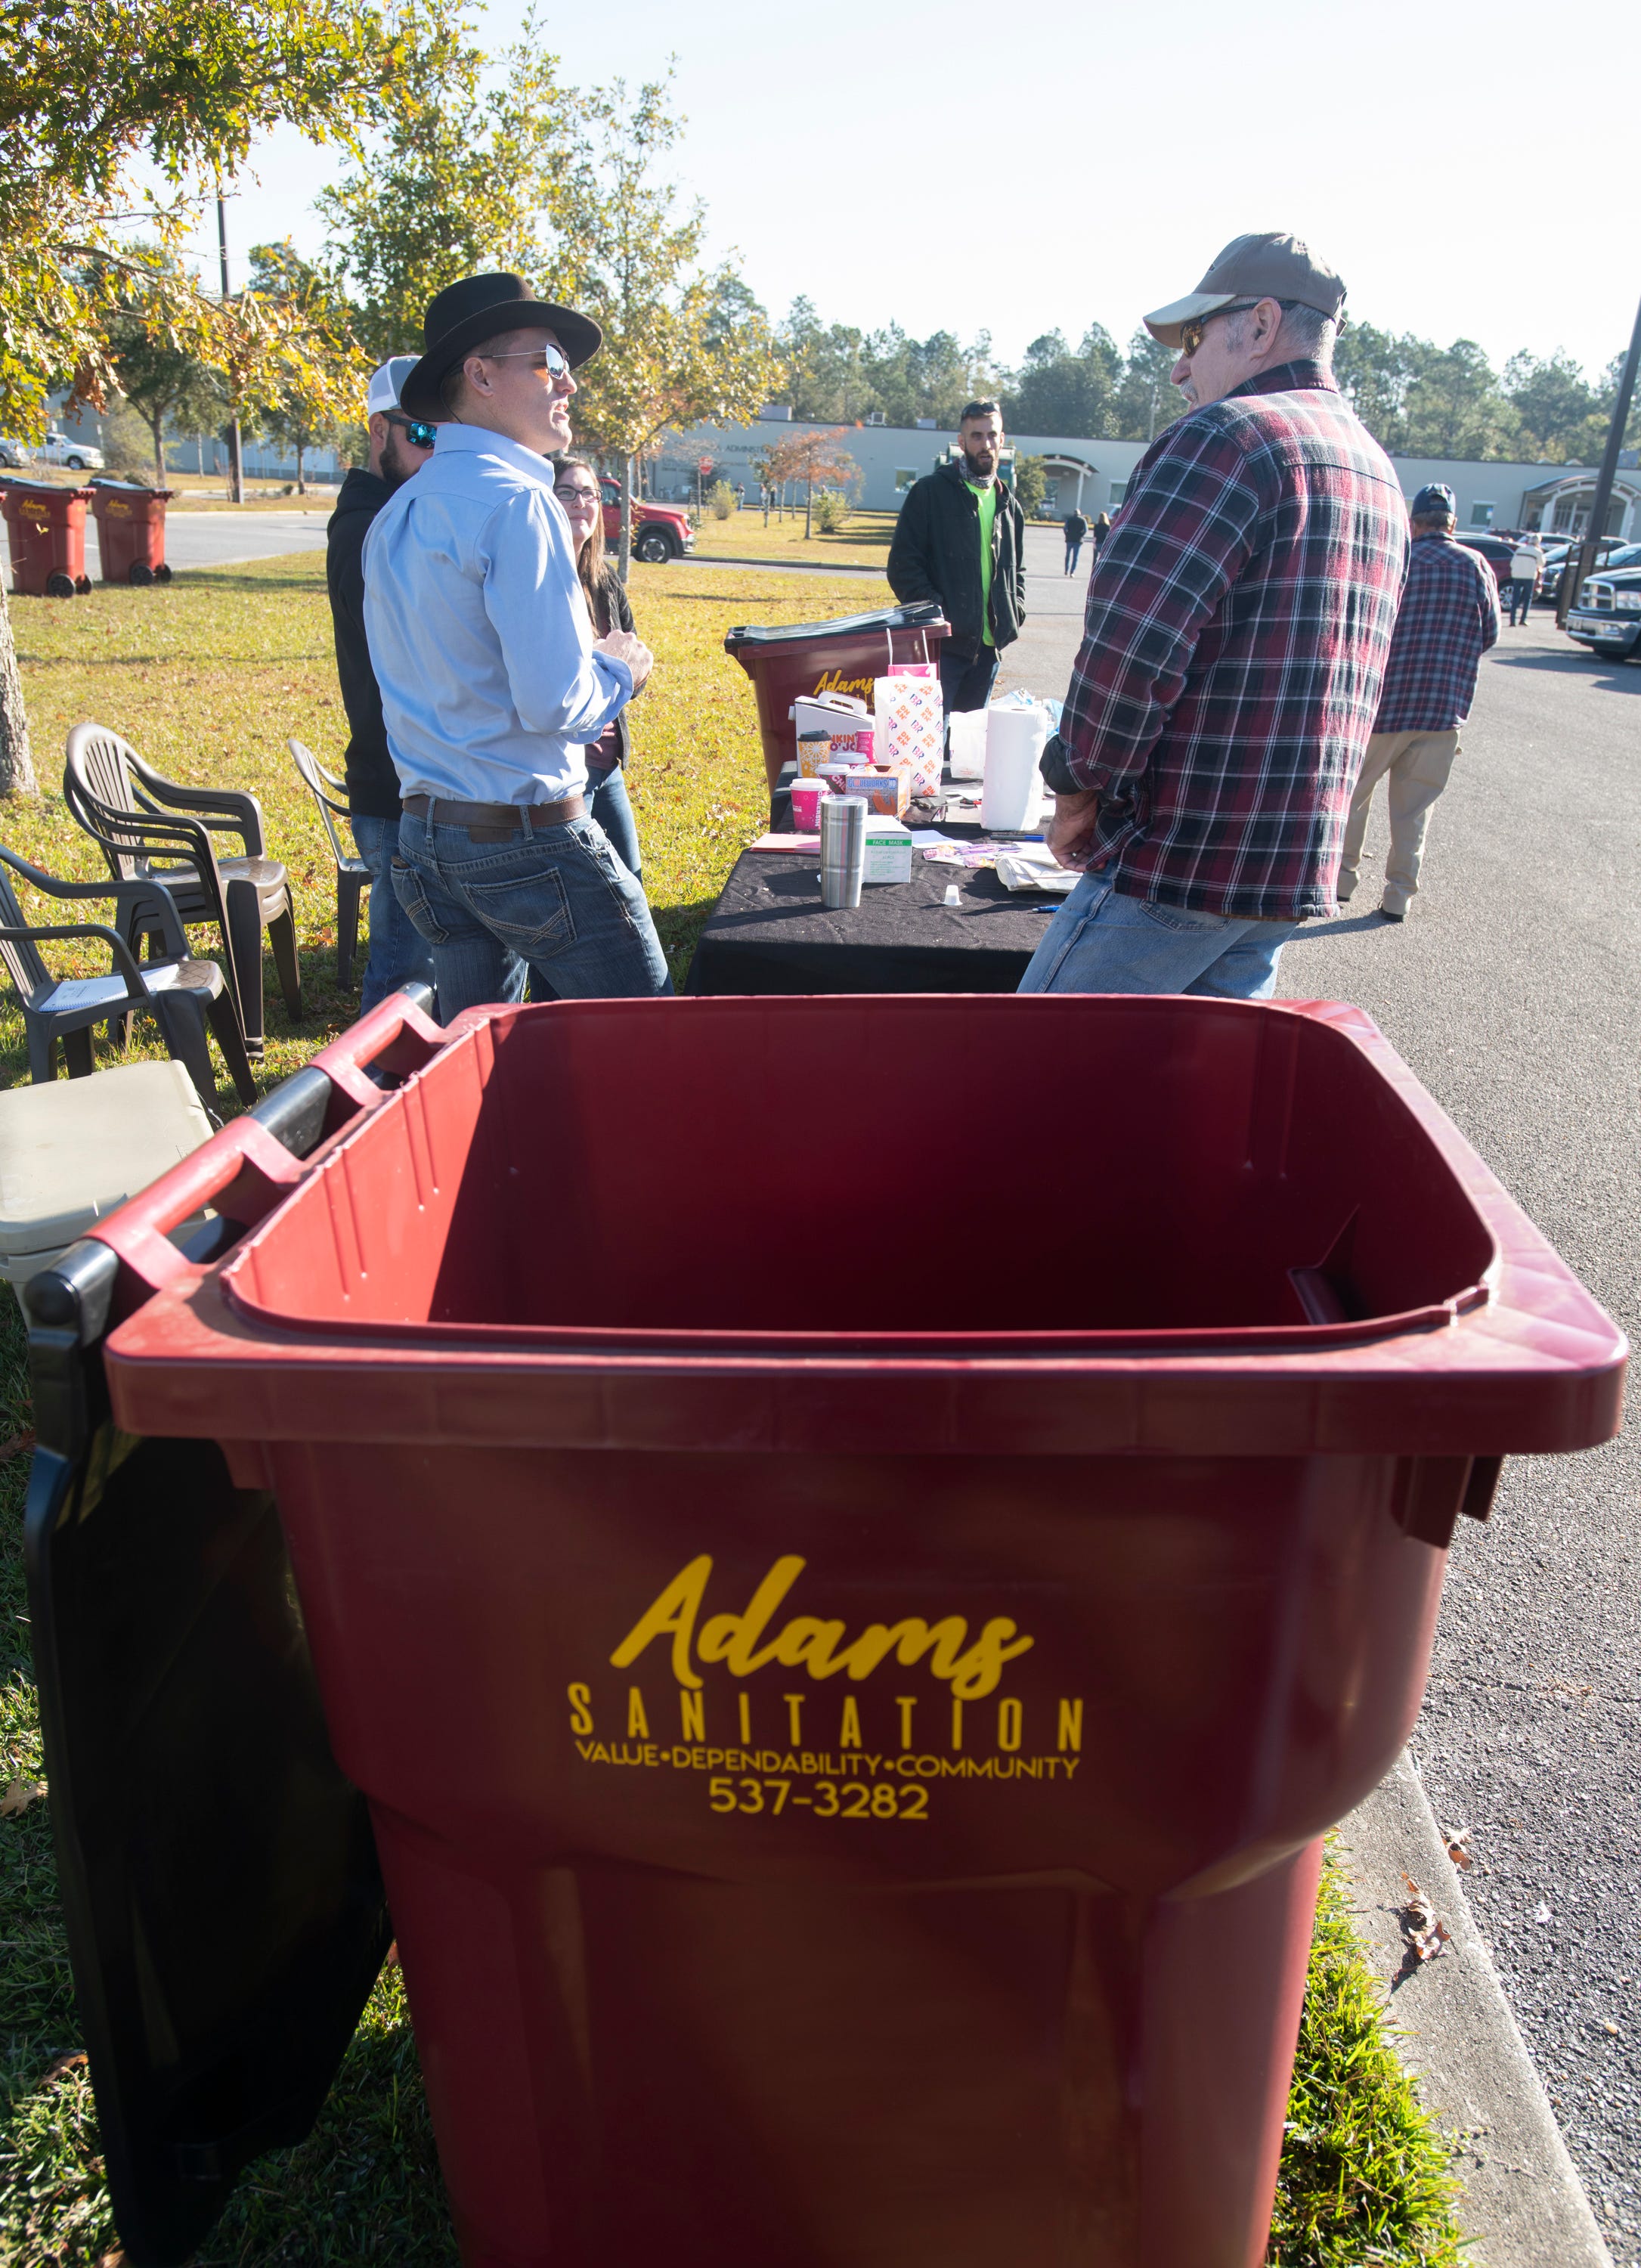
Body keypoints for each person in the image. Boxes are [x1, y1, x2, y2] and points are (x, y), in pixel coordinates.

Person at [1019, 231, 1408, 1001]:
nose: (1180, 365)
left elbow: (1130, 651)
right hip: (1282, 867)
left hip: (1182, 856)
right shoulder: (1373, 468)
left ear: (1259, 324)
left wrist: (1075, 788)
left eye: (1195, 337)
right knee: (1191, 1104)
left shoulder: (1226, 436)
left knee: (1029, 1086)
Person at [364, 271, 670, 1020]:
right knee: (655, 1046)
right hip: (524, 839)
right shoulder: (519, 501)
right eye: (548, 363)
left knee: (487, 1059)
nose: (568, 385)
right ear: (479, 374)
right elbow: (556, 704)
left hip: (428, 839)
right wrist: (618, 668)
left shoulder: (401, 508)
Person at [325, 357, 437, 1011]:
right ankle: (370, 1101)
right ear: (378, 431)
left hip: (410, 786)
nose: (436, 452)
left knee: (423, 977)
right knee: (402, 982)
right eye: (422, 435)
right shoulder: (369, 527)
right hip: (394, 793)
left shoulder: (393, 513)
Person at [1337, 483, 1499, 923]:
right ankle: (1398, 897)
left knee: (1354, 796)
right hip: (1444, 709)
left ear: (1413, 521)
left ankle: (1342, 881)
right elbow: (1490, 636)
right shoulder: (1476, 566)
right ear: (1453, 523)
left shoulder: (1399, 559)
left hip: (1384, 706)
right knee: (1414, 809)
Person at [887, 399, 1026, 723]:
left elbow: (1017, 571)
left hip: (989, 651)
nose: (985, 444)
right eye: (976, 436)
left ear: (1002, 440)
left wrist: (1014, 608)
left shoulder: (1009, 506)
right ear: (961, 443)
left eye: (992, 435)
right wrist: (937, 612)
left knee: (968, 755)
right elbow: (903, 567)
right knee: (931, 743)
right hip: (943, 649)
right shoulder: (930, 493)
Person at [551, 452, 645, 878]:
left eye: (588, 493)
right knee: (580, 882)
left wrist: (621, 671)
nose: (580, 502)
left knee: (631, 877)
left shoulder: (604, 580)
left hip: (608, 764)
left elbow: (635, 662)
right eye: (566, 492)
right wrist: (612, 667)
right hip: (568, 768)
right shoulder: (541, 577)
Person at [1506, 532, 1542, 627]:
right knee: (1527, 598)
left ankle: (1512, 620)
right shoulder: (1538, 552)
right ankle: (1523, 619)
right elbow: (1541, 564)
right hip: (1529, 577)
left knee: (1515, 598)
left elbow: (1512, 563)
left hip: (1517, 575)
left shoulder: (1520, 549)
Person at [1063, 506, 1089, 576]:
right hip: (1078, 540)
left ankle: (1066, 570)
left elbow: (1065, 528)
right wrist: (1081, 535)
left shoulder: (1069, 519)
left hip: (1069, 539)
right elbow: (1086, 530)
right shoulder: (1082, 520)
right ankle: (1072, 572)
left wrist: (1067, 534)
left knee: (1068, 555)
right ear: (1079, 514)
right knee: (1075, 557)